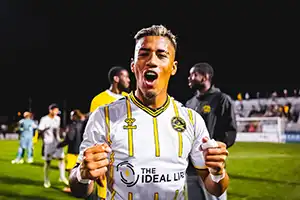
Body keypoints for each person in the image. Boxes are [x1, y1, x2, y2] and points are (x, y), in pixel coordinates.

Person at [69, 25, 229, 200]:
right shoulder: (104, 116)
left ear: (173, 67)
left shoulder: (191, 119)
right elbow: (79, 189)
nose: (152, 61)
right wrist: (82, 176)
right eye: (143, 54)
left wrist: (217, 172)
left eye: (161, 55)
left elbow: (215, 188)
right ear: (133, 65)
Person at [186, 62, 237, 200]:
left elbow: (231, 131)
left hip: (210, 167)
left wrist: (215, 150)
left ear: (205, 77)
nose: (189, 77)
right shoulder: (190, 103)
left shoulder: (221, 99)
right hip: (190, 168)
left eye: (194, 74)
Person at [89, 66, 131, 199]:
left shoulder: (129, 99)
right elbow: (93, 133)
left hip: (128, 158)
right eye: (126, 77)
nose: (129, 80)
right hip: (107, 159)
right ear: (116, 79)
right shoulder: (99, 100)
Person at [38, 103, 69, 188]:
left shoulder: (57, 119)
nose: (56, 112)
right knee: (48, 162)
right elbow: (40, 130)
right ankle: (46, 180)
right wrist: (46, 129)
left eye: (57, 111)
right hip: (48, 143)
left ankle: (62, 177)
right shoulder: (44, 119)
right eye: (55, 110)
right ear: (50, 110)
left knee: (62, 159)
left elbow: (58, 129)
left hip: (57, 142)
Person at [57, 109, 87, 192]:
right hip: (82, 150)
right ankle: (82, 188)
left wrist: (60, 145)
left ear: (74, 116)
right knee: (80, 169)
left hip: (72, 150)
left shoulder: (72, 125)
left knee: (71, 170)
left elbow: (70, 138)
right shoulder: (84, 125)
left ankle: (72, 188)